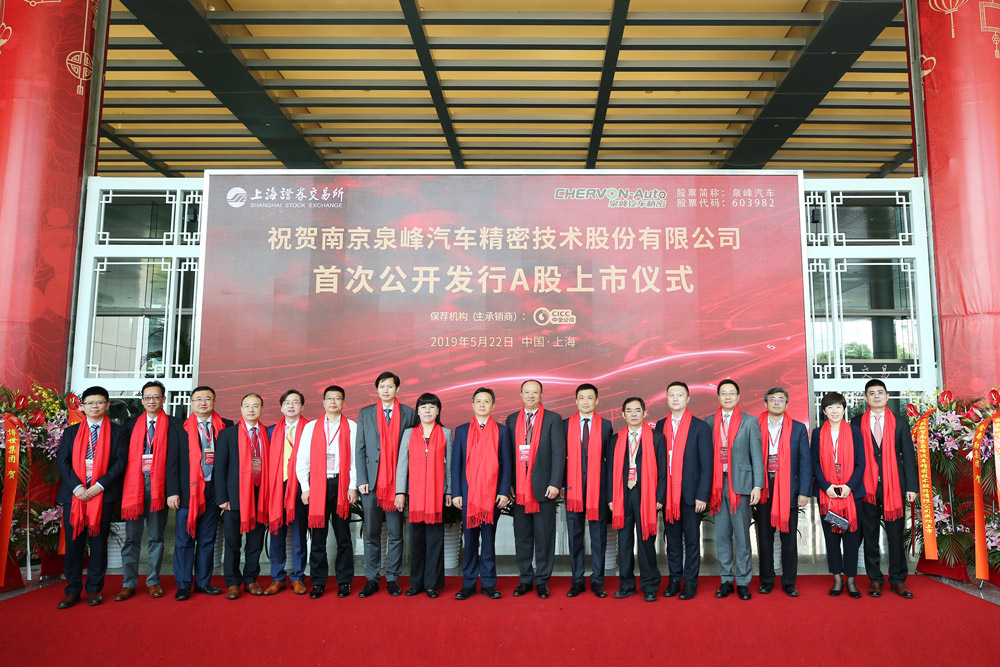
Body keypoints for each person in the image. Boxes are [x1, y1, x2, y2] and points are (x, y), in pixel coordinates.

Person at [55, 386, 128, 608]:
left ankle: (95, 589)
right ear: (82, 406)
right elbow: (63, 463)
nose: (94, 406)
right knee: (74, 543)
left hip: (102, 495)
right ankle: (72, 590)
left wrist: (99, 485)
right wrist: (77, 487)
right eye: (90, 403)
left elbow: (120, 462)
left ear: (107, 405)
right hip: (74, 495)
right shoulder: (71, 432)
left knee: (98, 543)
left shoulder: (118, 431)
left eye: (99, 402)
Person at [116, 380, 184, 602]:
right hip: (134, 487)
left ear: (163, 399)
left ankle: (153, 581)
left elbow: (177, 461)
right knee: (131, 538)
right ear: (142, 400)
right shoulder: (130, 425)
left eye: (156, 397)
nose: (151, 401)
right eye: (147, 397)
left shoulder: (175, 425)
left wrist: (173, 490)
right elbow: (121, 458)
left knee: (156, 537)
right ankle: (128, 583)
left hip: (159, 487)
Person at [852, 379, 919, 599]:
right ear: (866, 398)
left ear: (887, 396)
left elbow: (908, 455)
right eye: (872, 393)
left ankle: (898, 580)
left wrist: (912, 486)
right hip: (866, 488)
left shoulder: (900, 422)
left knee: (895, 536)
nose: (876, 396)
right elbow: (853, 456)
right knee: (870, 535)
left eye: (880, 392)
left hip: (894, 487)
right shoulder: (856, 422)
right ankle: (875, 579)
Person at [355, 371, 418, 597]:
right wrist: (362, 479)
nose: (385, 390)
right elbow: (360, 448)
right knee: (371, 533)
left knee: (396, 533)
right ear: (377, 389)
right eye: (382, 386)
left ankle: (392, 578)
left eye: (390, 386)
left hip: (396, 485)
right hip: (371, 484)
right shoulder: (366, 413)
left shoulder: (409, 414)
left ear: (397, 389)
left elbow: (413, 451)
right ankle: (372, 578)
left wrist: (404, 486)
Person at [215, 393, 282, 600]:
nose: (251, 409)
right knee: (233, 542)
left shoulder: (267, 433)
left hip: (260, 496)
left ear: (262, 409)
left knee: (255, 542)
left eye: (255, 406)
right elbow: (220, 468)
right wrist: (222, 497)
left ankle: (251, 579)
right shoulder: (228, 434)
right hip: (235, 497)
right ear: (241, 409)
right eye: (247, 406)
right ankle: (233, 582)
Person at [169, 385, 232, 600]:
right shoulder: (180, 428)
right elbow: (172, 462)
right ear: (191, 403)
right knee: (184, 540)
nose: (203, 403)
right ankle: (184, 585)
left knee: (207, 539)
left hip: (214, 490)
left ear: (214, 401)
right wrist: (172, 492)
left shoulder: (226, 426)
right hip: (188, 491)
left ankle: (203, 582)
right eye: (198, 399)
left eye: (207, 398)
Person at [296, 385, 358, 599]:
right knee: (318, 538)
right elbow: (302, 459)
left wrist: (352, 486)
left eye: (337, 398)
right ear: (323, 402)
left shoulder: (351, 426)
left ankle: (344, 582)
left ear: (344, 403)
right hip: (318, 486)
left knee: (344, 538)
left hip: (341, 486)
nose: (333, 402)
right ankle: (318, 582)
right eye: (329, 398)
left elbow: (355, 460)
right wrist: (306, 487)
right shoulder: (311, 427)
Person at [505, 379, 565, 599]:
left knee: (544, 538)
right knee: (522, 537)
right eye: (527, 392)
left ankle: (542, 581)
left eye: (535, 392)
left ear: (541, 395)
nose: (531, 396)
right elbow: (508, 455)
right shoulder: (512, 419)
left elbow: (559, 454)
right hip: (519, 489)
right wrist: (508, 484)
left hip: (544, 488)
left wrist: (555, 483)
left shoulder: (553, 419)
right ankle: (525, 579)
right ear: (521, 395)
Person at [451, 387, 513, 600]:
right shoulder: (461, 431)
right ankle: (468, 584)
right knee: (469, 541)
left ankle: (488, 584)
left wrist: (504, 492)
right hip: (468, 495)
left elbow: (507, 465)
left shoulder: (502, 431)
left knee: (488, 541)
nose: (482, 404)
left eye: (486, 401)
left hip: (492, 496)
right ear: (472, 404)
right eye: (478, 401)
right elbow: (456, 465)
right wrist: (456, 492)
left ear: (493, 405)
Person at [705, 378, 763, 601]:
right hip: (717, 487)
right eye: (724, 393)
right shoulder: (709, 422)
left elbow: (756, 455)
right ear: (718, 397)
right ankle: (726, 580)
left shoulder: (749, 421)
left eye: (731, 393)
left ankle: (743, 581)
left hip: (741, 486)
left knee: (742, 537)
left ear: (738, 397)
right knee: (721, 537)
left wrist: (757, 485)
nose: (727, 397)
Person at [655, 381, 712, 601]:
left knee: (692, 541)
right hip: (669, 495)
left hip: (691, 495)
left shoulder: (699, 427)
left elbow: (706, 464)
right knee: (672, 541)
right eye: (672, 395)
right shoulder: (661, 425)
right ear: (667, 399)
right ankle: (674, 580)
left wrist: (702, 495)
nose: (675, 398)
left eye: (680, 395)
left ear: (688, 399)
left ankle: (690, 583)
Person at [753, 387, 811, 597]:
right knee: (764, 538)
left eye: (780, 399)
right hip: (763, 487)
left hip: (789, 489)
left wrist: (804, 491)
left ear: (787, 404)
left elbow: (805, 462)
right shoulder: (755, 425)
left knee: (789, 539)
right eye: (772, 399)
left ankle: (789, 581)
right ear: (765, 403)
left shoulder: (797, 428)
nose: (776, 402)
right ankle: (767, 580)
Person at [395, 393, 453, 598]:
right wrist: (400, 492)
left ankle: (431, 584)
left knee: (435, 540)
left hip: (437, 495)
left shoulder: (446, 433)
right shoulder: (409, 433)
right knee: (417, 541)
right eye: (423, 407)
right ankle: (416, 583)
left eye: (432, 407)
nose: (427, 410)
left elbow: (450, 466)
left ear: (438, 411)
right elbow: (402, 465)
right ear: (417, 411)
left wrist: (449, 490)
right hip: (416, 496)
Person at [608, 397, 666, 602]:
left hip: (646, 496)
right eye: (629, 410)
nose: (633, 414)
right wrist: (610, 497)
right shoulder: (615, 439)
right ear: (623, 414)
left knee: (646, 543)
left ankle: (650, 585)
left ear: (645, 413)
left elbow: (662, 470)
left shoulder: (657, 438)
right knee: (624, 543)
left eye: (637, 410)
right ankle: (626, 585)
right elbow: (610, 471)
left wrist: (659, 497)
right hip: (622, 495)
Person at [812, 391, 866, 599]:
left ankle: (851, 580)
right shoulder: (817, 433)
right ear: (824, 411)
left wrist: (849, 486)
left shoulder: (854, 432)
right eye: (830, 407)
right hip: (827, 495)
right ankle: (836, 579)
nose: (835, 411)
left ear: (844, 409)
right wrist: (826, 486)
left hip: (850, 494)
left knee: (851, 538)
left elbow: (861, 462)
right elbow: (815, 462)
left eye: (838, 407)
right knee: (832, 538)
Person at [563, 383, 613, 598]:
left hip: (597, 490)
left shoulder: (606, 425)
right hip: (573, 489)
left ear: (596, 401)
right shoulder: (565, 425)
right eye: (581, 398)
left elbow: (609, 461)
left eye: (589, 398)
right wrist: (561, 485)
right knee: (575, 536)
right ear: (576, 401)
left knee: (598, 536)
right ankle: (577, 580)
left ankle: (598, 581)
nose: (585, 402)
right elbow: (560, 458)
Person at [263, 389, 309, 596]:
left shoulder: (310, 429)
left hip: (300, 488)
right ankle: (278, 577)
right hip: (276, 487)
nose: (291, 406)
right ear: (281, 407)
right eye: (287, 403)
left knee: (299, 534)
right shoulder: (271, 431)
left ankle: (298, 577)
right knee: (276, 533)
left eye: (295, 402)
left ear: (302, 406)